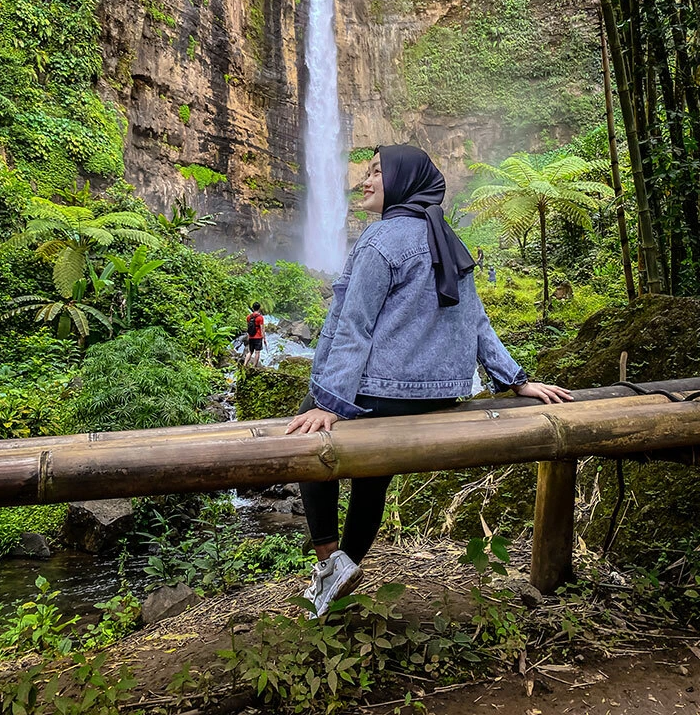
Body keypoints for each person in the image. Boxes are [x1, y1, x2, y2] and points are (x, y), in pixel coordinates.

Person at [285, 145, 572, 617]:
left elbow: (353, 326)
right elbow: (477, 322)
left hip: (383, 396)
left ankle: (328, 561)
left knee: (304, 433)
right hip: (437, 399)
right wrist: (516, 380)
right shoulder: (447, 239)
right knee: (372, 474)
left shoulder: (380, 242)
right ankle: (345, 573)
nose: (365, 179)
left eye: (377, 171)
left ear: (402, 179)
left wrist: (328, 401)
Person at [243, 302, 266, 368]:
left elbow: (248, 326)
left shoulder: (248, 317)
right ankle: (254, 367)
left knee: (250, 352)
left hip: (251, 336)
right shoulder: (260, 318)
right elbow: (262, 328)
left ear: (253, 308)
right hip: (258, 337)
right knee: (257, 352)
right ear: (259, 308)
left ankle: (244, 365)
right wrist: (264, 338)